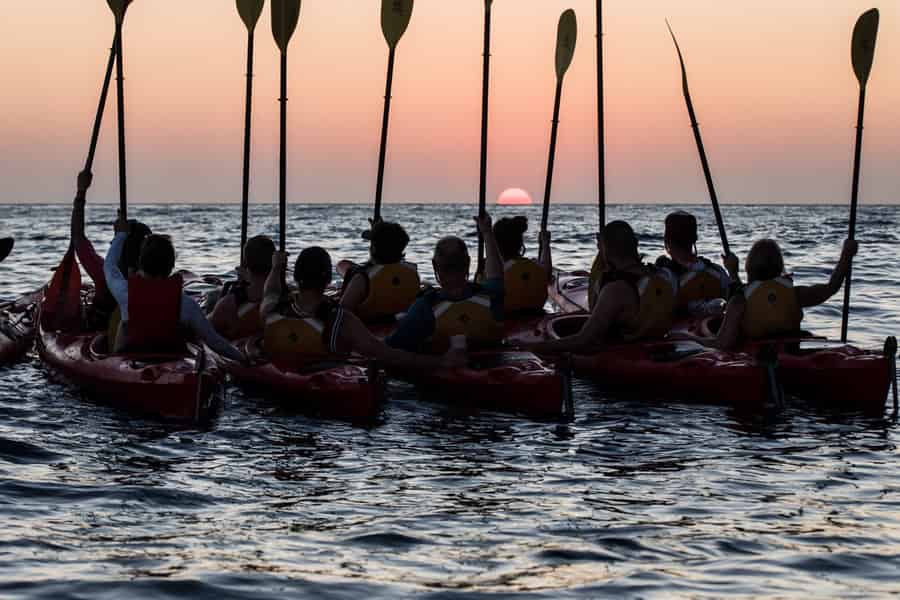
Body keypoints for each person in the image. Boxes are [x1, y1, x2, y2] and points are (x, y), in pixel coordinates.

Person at [260, 246, 464, 371]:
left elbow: (270, 292)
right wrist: (440, 362)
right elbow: (387, 354)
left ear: (296, 277)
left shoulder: (271, 311)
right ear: (329, 279)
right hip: (325, 392)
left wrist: (276, 267)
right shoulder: (339, 319)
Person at [104, 212, 245, 362]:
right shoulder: (186, 304)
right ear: (171, 267)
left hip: (133, 362)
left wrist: (120, 235)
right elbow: (214, 341)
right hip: (173, 364)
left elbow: (109, 266)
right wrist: (243, 358)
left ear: (141, 263)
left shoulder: (126, 294)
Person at [522, 221, 677, 354]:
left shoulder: (616, 289)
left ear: (605, 250)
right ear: (635, 244)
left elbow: (584, 340)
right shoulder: (662, 277)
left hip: (623, 360)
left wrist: (532, 348)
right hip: (657, 350)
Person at [690, 238, 858, 349]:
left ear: (749, 267)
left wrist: (689, 338)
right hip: (791, 353)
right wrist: (846, 255)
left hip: (756, 359)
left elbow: (722, 343)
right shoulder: (794, 294)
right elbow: (831, 288)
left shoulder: (739, 301)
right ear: (779, 267)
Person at [387, 213, 504, 353]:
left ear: (435, 266)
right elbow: (496, 275)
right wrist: (487, 232)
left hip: (442, 370)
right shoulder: (491, 297)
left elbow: (391, 348)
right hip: (489, 367)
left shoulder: (424, 308)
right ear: (467, 263)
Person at [66, 170, 152, 332]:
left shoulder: (105, 274)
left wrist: (81, 192)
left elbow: (78, 237)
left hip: (101, 334)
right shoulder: (155, 280)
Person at [654, 211, 737, 317]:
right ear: (695, 239)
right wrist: (733, 272)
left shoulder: (665, 276)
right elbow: (735, 298)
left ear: (666, 239)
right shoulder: (718, 271)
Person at [339, 220, 420, 322]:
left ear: (373, 249)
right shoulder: (412, 275)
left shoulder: (362, 279)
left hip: (365, 329)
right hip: (399, 324)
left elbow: (340, 314)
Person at [209, 235, 276, 340]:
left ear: (245, 263)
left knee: (212, 297)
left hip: (236, 345)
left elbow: (205, 331)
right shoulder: (288, 297)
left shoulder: (229, 304)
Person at [492, 216, 550, 313]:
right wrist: (545, 244)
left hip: (506, 320)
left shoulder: (496, 272)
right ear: (520, 242)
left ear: (496, 244)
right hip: (536, 316)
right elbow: (547, 269)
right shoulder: (538, 267)